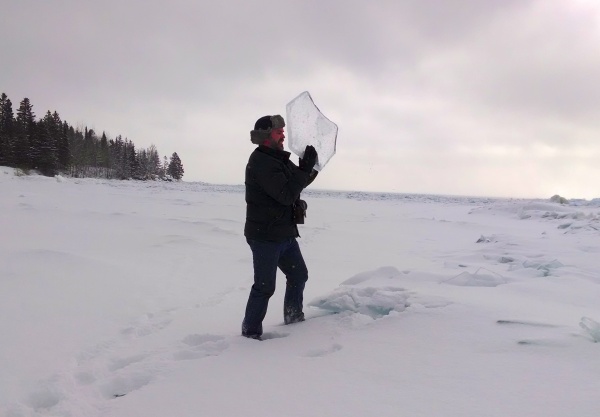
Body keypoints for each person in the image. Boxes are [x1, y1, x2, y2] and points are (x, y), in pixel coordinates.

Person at [242, 114, 318, 340]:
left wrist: (308, 167)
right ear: (266, 136)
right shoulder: (261, 162)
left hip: (283, 233)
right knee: (265, 287)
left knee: (299, 275)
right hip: (264, 236)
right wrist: (304, 171)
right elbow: (286, 195)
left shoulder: (277, 158)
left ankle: (294, 319)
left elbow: (296, 183)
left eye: (283, 131)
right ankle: (250, 334)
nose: (283, 134)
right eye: (278, 131)